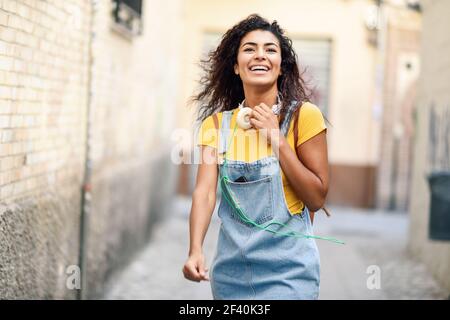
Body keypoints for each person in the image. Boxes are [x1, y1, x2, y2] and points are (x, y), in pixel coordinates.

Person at [183, 14, 330, 300]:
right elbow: (204, 194)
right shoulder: (216, 126)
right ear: (236, 67)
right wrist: (195, 250)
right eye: (249, 48)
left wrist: (276, 138)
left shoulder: (304, 117)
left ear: (281, 68)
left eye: (270, 49)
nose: (260, 55)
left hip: (289, 275)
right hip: (230, 276)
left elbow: (316, 198)